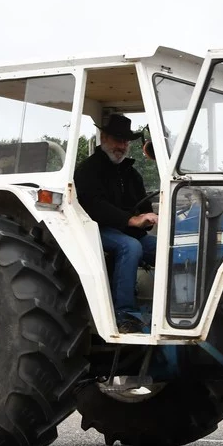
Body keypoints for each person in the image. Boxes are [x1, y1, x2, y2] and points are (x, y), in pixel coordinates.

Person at [74, 114, 158, 333]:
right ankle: (126, 315)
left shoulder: (131, 174)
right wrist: (131, 220)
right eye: (117, 139)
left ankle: (174, 308)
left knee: (169, 250)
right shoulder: (89, 169)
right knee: (130, 247)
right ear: (103, 137)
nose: (121, 146)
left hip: (127, 231)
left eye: (125, 141)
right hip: (92, 229)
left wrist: (150, 219)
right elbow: (93, 205)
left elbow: (145, 208)